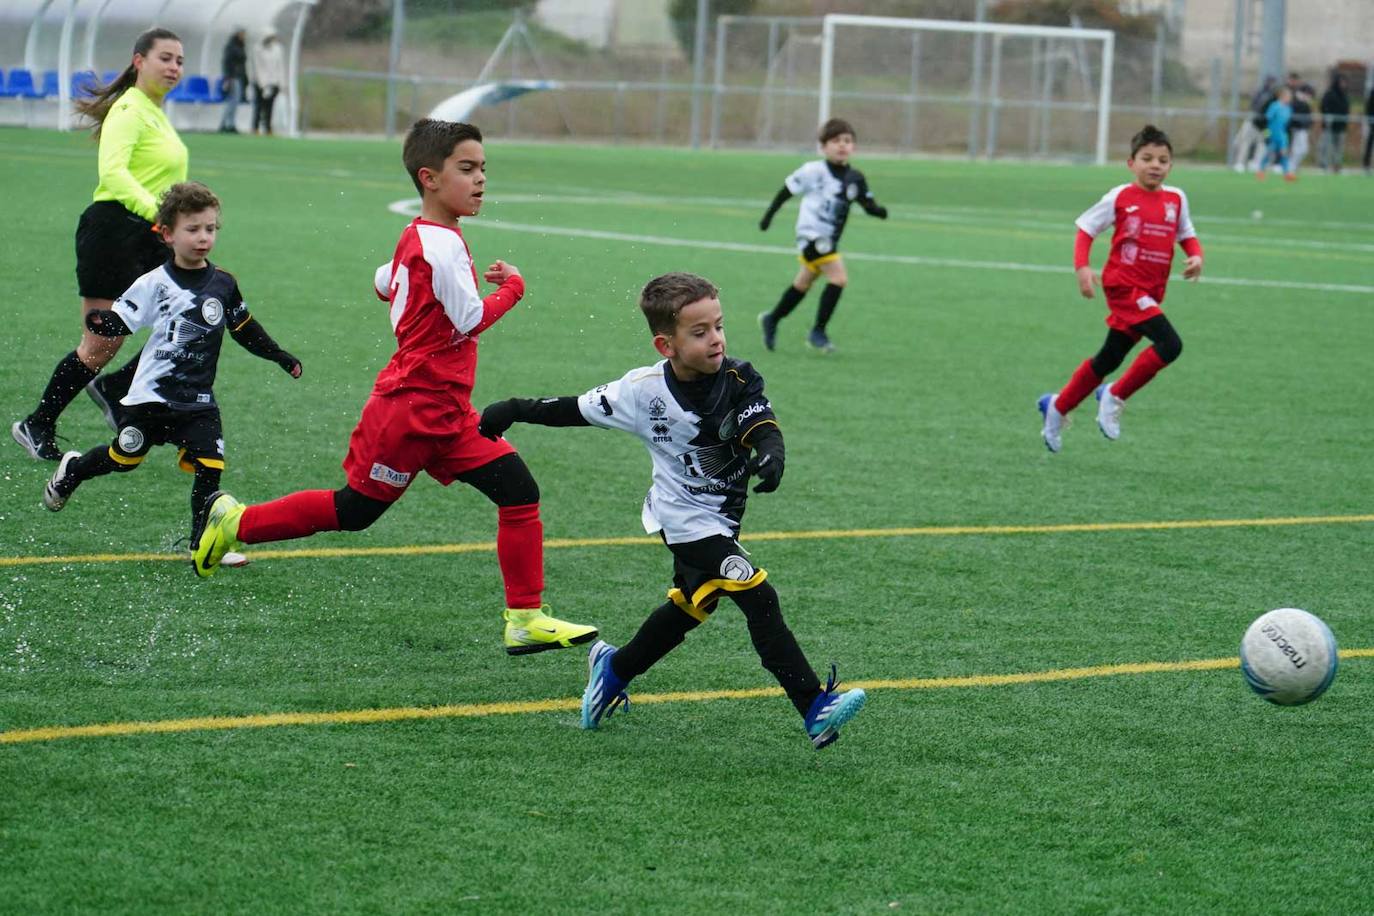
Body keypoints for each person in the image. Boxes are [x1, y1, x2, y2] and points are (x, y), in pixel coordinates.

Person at [191, 119, 597, 656]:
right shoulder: (443, 246)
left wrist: (412, 294)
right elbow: (471, 318)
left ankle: (524, 618)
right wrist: (516, 288)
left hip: (448, 412)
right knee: (355, 511)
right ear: (429, 178)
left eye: (483, 169)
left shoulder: (421, 237)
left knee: (518, 490)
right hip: (409, 410)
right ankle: (236, 521)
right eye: (467, 169)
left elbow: (384, 281)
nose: (480, 180)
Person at [477, 272, 867, 749]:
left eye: (719, 326)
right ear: (667, 344)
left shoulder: (739, 377)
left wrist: (772, 452)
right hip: (681, 519)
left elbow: (759, 422)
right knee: (757, 595)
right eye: (699, 332)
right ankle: (813, 706)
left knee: (689, 607)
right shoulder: (641, 392)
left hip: (721, 518)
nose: (716, 339)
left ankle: (613, 669)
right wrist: (515, 407)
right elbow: (576, 408)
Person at [42, 182, 301, 546]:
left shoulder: (224, 284)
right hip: (152, 397)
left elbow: (243, 326)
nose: (203, 237)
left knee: (210, 468)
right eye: (192, 229)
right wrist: (104, 321)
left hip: (197, 401)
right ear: (167, 234)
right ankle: (73, 471)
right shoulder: (153, 284)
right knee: (124, 457)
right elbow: (122, 320)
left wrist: (278, 354)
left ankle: (202, 543)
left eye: (210, 229)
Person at [12, 28, 188, 463]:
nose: (174, 67)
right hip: (114, 231)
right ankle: (37, 424)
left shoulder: (156, 112)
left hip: (150, 234)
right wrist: (157, 213)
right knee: (99, 345)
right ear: (138, 61)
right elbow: (113, 174)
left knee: (193, 314)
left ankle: (115, 387)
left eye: (180, 61)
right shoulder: (129, 109)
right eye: (165, 58)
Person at [1037, 125, 1203, 453]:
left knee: (1109, 357)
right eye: (1147, 158)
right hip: (1124, 287)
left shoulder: (1176, 199)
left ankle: (1057, 406)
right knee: (1170, 344)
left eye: (1163, 160)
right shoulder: (1119, 197)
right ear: (1131, 163)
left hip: (1151, 289)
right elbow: (1086, 229)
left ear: (1171, 166)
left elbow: (1186, 233)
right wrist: (1082, 267)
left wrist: (1196, 256)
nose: (1155, 165)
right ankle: (1114, 395)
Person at [756, 117, 887, 354]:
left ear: (853, 146)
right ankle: (818, 331)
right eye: (835, 140)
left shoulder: (854, 177)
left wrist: (878, 211)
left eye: (847, 141)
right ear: (824, 146)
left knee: (803, 283)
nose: (842, 145)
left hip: (830, 239)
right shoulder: (812, 171)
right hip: (810, 237)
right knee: (838, 278)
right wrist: (768, 216)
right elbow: (786, 192)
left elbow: (867, 202)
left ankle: (772, 319)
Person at [1230, 76, 1275, 173]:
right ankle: (1240, 163)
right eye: (1269, 82)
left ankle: (1255, 163)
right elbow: (1255, 109)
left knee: (1263, 143)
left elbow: (1269, 120)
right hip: (1253, 123)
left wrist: (1267, 131)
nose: (1271, 84)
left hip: (1265, 127)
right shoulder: (1262, 94)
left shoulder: (1274, 101)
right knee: (1245, 141)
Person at [249, 32, 285, 136]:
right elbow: (258, 67)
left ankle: (268, 127)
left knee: (270, 106)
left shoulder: (278, 49)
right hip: (260, 83)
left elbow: (280, 67)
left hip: (273, 82)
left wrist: (282, 83)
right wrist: (263, 84)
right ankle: (255, 127)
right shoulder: (257, 49)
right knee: (258, 106)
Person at [1256, 86, 1294, 179]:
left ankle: (1287, 173)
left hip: (1282, 135)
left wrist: (1288, 135)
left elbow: (1287, 124)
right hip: (1272, 134)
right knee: (1269, 153)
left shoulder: (1288, 109)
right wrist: (1266, 135)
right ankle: (1260, 171)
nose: (1289, 98)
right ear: (1282, 96)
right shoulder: (1274, 106)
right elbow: (1266, 121)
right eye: (1288, 96)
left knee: (1283, 153)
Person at [1318, 71, 1350, 173]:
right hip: (1329, 125)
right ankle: (1323, 164)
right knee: (1326, 145)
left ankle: (1337, 165)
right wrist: (1327, 116)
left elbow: (1346, 109)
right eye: (1342, 82)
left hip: (1340, 126)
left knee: (1339, 147)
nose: (1343, 84)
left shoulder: (1345, 95)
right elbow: (1323, 106)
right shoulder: (1329, 93)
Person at [218, 28, 247, 134]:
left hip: (239, 77)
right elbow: (226, 63)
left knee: (234, 102)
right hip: (232, 78)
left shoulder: (241, 46)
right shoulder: (231, 47)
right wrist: (227, 78)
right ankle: (226, 124)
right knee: (232, 102)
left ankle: (229, 123)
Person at [1289, 87, 1314, 174]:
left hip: (1303, 129)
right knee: (1297, 149)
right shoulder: (1296, 101)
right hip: (1296, 129)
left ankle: (1294, 166)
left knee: (1303, 149)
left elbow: (1309, 117)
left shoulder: (1305, 103)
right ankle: (1291, 167)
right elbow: (1293, 114)